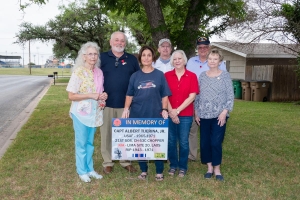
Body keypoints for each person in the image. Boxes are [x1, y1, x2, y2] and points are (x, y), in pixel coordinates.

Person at [121, 45, 171, 181]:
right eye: (144, 55)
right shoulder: (135, 76)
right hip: (137, 114)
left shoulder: (159, 75)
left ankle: (159, 172)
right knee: (139, 144)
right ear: (140, 58)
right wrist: (126, 109)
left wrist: (165, 109)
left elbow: (165, 95)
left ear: (153, 58)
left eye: (149, 55)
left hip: (155, 115)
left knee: (156, 144)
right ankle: (144, 171)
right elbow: (129, 95)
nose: (146, 58)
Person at [66, 42, 108, 183]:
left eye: (95, 54)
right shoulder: (78, 72)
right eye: (90, 54)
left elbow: (99, 92)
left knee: (90, 143)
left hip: (94, 113)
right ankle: (82, 171)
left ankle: (90, 169)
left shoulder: (99, 72)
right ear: (84, 56)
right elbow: (71, 96)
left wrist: (102, 97)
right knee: (81, 142)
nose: (93, 56)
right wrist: (91, 95)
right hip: (81, 113)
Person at [100, 31, 140, 174]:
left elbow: (138, 79)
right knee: (106, 134)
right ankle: (108, 161)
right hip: (106, 104)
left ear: (125, 43)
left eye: (122, 41)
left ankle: (125, 161)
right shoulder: (102, 57)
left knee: (124, 134)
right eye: (116, 40)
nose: (119, 43)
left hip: (126, 105)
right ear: (111, 42)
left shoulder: (132, 59)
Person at [194, 48, 234, 181]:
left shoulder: (225, 75)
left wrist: (225, 112)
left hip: (219, 115)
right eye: (210, 59)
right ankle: (209, 168)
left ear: (220, 61)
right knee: (205, 143)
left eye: (215, 59)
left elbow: (230, 95)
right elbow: (197, 95)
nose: (212, 61)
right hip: (204, 115)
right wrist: (196, 112)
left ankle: (217, 169)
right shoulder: (202, 76)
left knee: (216, 142)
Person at [186, 36, 227, 162]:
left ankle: (212, 159)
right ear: (197, 49)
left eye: (205, 47)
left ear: (209, 48)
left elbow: (225, 87)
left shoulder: (218, 63)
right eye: (200, 47)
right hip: (193, 101)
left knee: (212, 134)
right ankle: (192, 155)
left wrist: (224, 109)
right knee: (192, 130)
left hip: (214, 105)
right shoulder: (191, 62)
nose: (202, 49)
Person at [165, 50, 199, 177]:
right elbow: (165, 95)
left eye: (180, 58)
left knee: (184, 142)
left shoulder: (192, 76)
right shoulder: (167, 76)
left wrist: (177, 111)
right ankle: (173, 165)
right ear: (172, 62)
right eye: (175, 59)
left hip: (185, 114)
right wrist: (171, 112)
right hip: (170, 113)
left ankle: (183, 167)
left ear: (184, 60)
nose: (177, 61)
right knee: (171, 141)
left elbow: (192, 96)